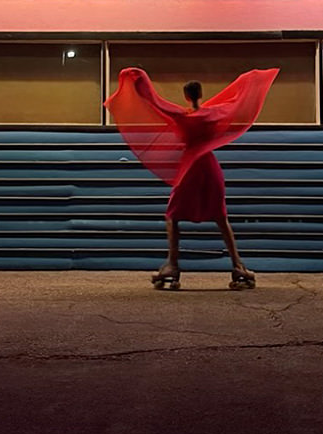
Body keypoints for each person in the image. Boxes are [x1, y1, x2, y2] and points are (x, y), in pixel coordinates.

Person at [104, 66, 279, 290]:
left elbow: (156, 102)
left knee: (173, 216)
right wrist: (251, 81)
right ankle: (238, 265)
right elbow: (235, 103)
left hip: (190, 169)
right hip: (210, 167)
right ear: (200, 95)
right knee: (220, 217)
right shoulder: (214, 113)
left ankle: (172, 265)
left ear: (187, 96)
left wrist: (138, 78)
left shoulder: (183, 116)